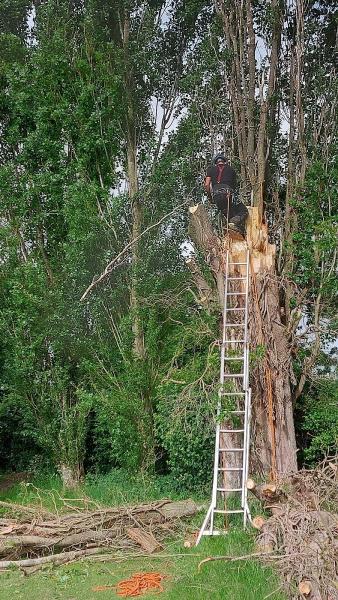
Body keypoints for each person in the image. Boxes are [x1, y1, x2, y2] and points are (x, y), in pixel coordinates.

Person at [204, 153, 248, 236]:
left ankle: (233, 231)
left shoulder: (211, 169)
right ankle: (234, 224)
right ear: (224, 161)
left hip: (216, 196)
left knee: (227, 215)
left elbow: (207, 185)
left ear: (215, 162)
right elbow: (234, 187)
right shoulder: (231, 170)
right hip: (228, 194)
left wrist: (210, 198)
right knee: (244, 211)